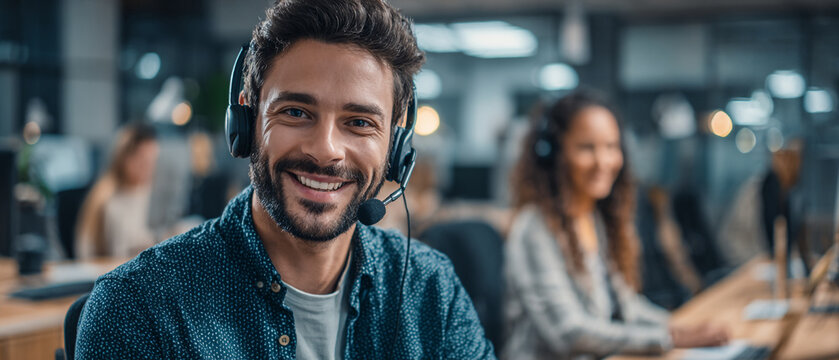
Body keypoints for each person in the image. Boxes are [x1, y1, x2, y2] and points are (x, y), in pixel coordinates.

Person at [75, 1, 494, 359]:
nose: (326, 149)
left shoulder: (431, 290)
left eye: (360, 122)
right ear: (247, 120)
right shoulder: (139, 306)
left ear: (395, 146)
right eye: (296, 112)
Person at [503, 91, 729, 359]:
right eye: (587, 148)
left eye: (612, 147)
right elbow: (570, 333)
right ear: (551, 153)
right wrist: (670, 338)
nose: (604, 161)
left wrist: (677, 326)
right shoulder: (534, 228)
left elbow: (626, 305)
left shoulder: (593, 218)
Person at [75, 122, 160, 259]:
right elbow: (87, 252)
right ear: (125, 158)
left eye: (152, 161)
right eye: (143, 161)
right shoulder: (105, 197)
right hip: (110, 273)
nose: (149, 169)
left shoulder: (151, 193)